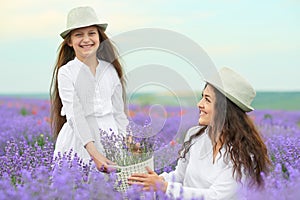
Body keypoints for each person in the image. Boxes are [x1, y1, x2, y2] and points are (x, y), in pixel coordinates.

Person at [128, 67, 271, 199]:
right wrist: (155, 181)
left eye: (207, 100)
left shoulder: (242, 153)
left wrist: (165, 187)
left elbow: (216, 196)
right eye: (202, 97)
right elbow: (180, 176)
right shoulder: (194, 136)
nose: (199, 104)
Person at [50, 6, 128, 172]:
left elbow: (119, 114)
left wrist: (127, 141)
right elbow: (75, 115)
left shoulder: (110, 70)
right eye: (79, 34)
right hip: (79, 143)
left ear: (99, 36)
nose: (86, 39)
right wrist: (95, 155)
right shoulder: (66, 72)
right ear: (70, 42)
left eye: (91, 33)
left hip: (110, 139)